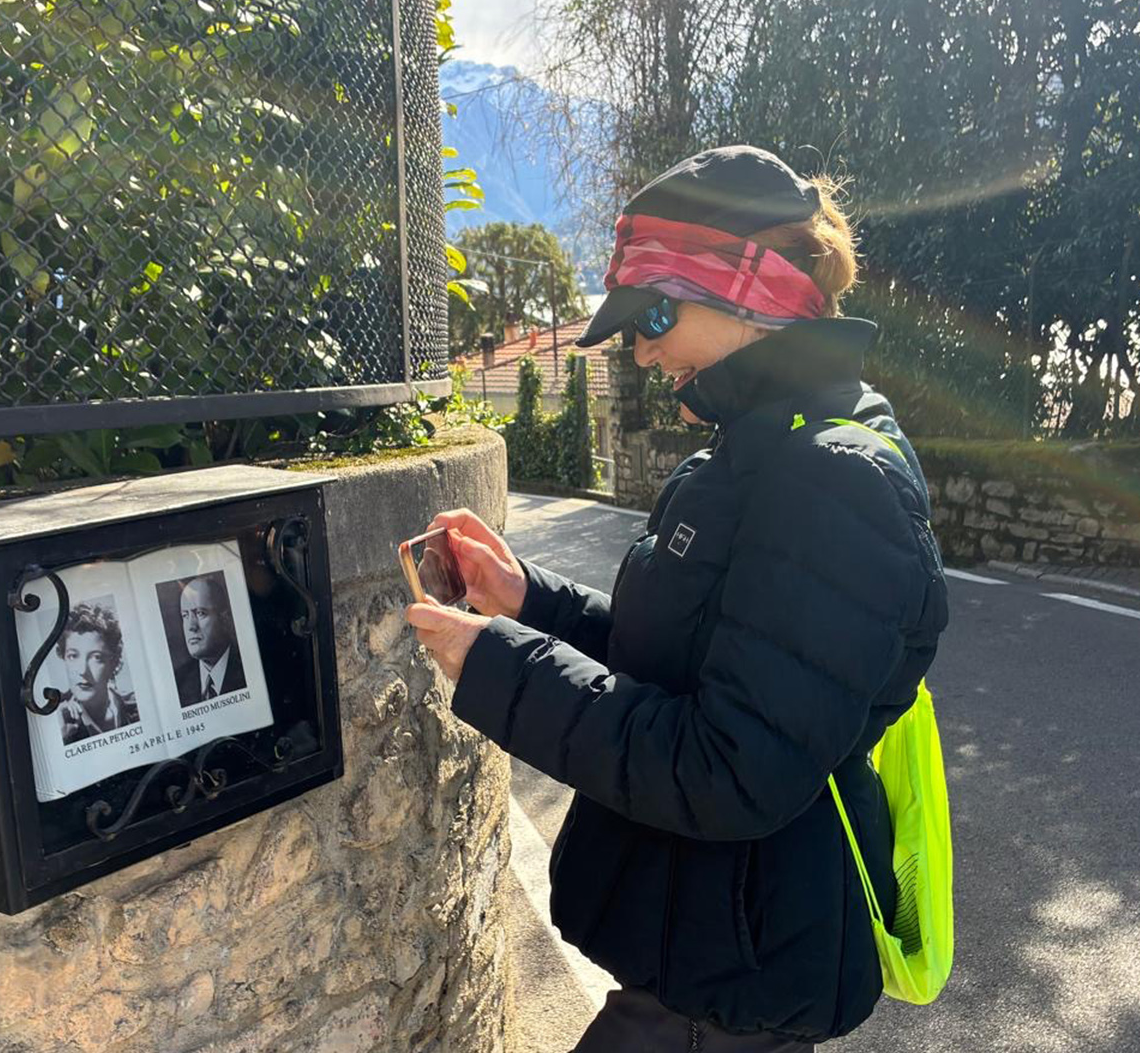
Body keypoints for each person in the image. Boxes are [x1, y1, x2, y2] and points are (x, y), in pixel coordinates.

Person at [406, 146, 949, 1051]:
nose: (642, 349)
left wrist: (500, 667)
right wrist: (528, 603)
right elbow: (690, 663)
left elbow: (728, 767)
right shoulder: (757, 451)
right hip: (702, 959)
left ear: (752, 292)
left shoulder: (832, 479)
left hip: (733, 985)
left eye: (654, 314)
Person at [58, 601, 139, 743]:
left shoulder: (137, 706)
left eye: (96, 657)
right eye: (73, 656)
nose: (82, 670)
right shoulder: (58, 722)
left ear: (114, 662)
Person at [175, 574, 245, 706]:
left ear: (225, 619)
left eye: (200, 613)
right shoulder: (178, 681)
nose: (191, 626)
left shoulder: (247, 666)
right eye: (185, 615)